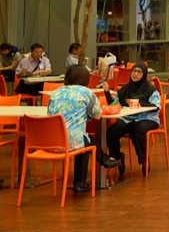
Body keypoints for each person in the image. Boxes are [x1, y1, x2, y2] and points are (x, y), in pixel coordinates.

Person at [46, 65, 121, 193]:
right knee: (84, 141)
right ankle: (101, 162)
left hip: (52, 142)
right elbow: (97, 116)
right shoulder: (86, 92)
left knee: (86, 140)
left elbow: (49, 114)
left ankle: (86, 177)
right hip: (71, 143)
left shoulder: (56, 92)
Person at [105, 64, 161, 176]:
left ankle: (144, 160)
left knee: (138, 129)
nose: (135, 74)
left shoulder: (150, 90)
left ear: (144, 74)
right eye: (134, 71)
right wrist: (106, 92)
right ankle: (117, 158)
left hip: (148, 118)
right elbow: (114, 105)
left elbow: (156, 107)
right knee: (112, 131)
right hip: (128, 119)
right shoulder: (125, 89)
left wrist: (140, 104)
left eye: (139, 72)